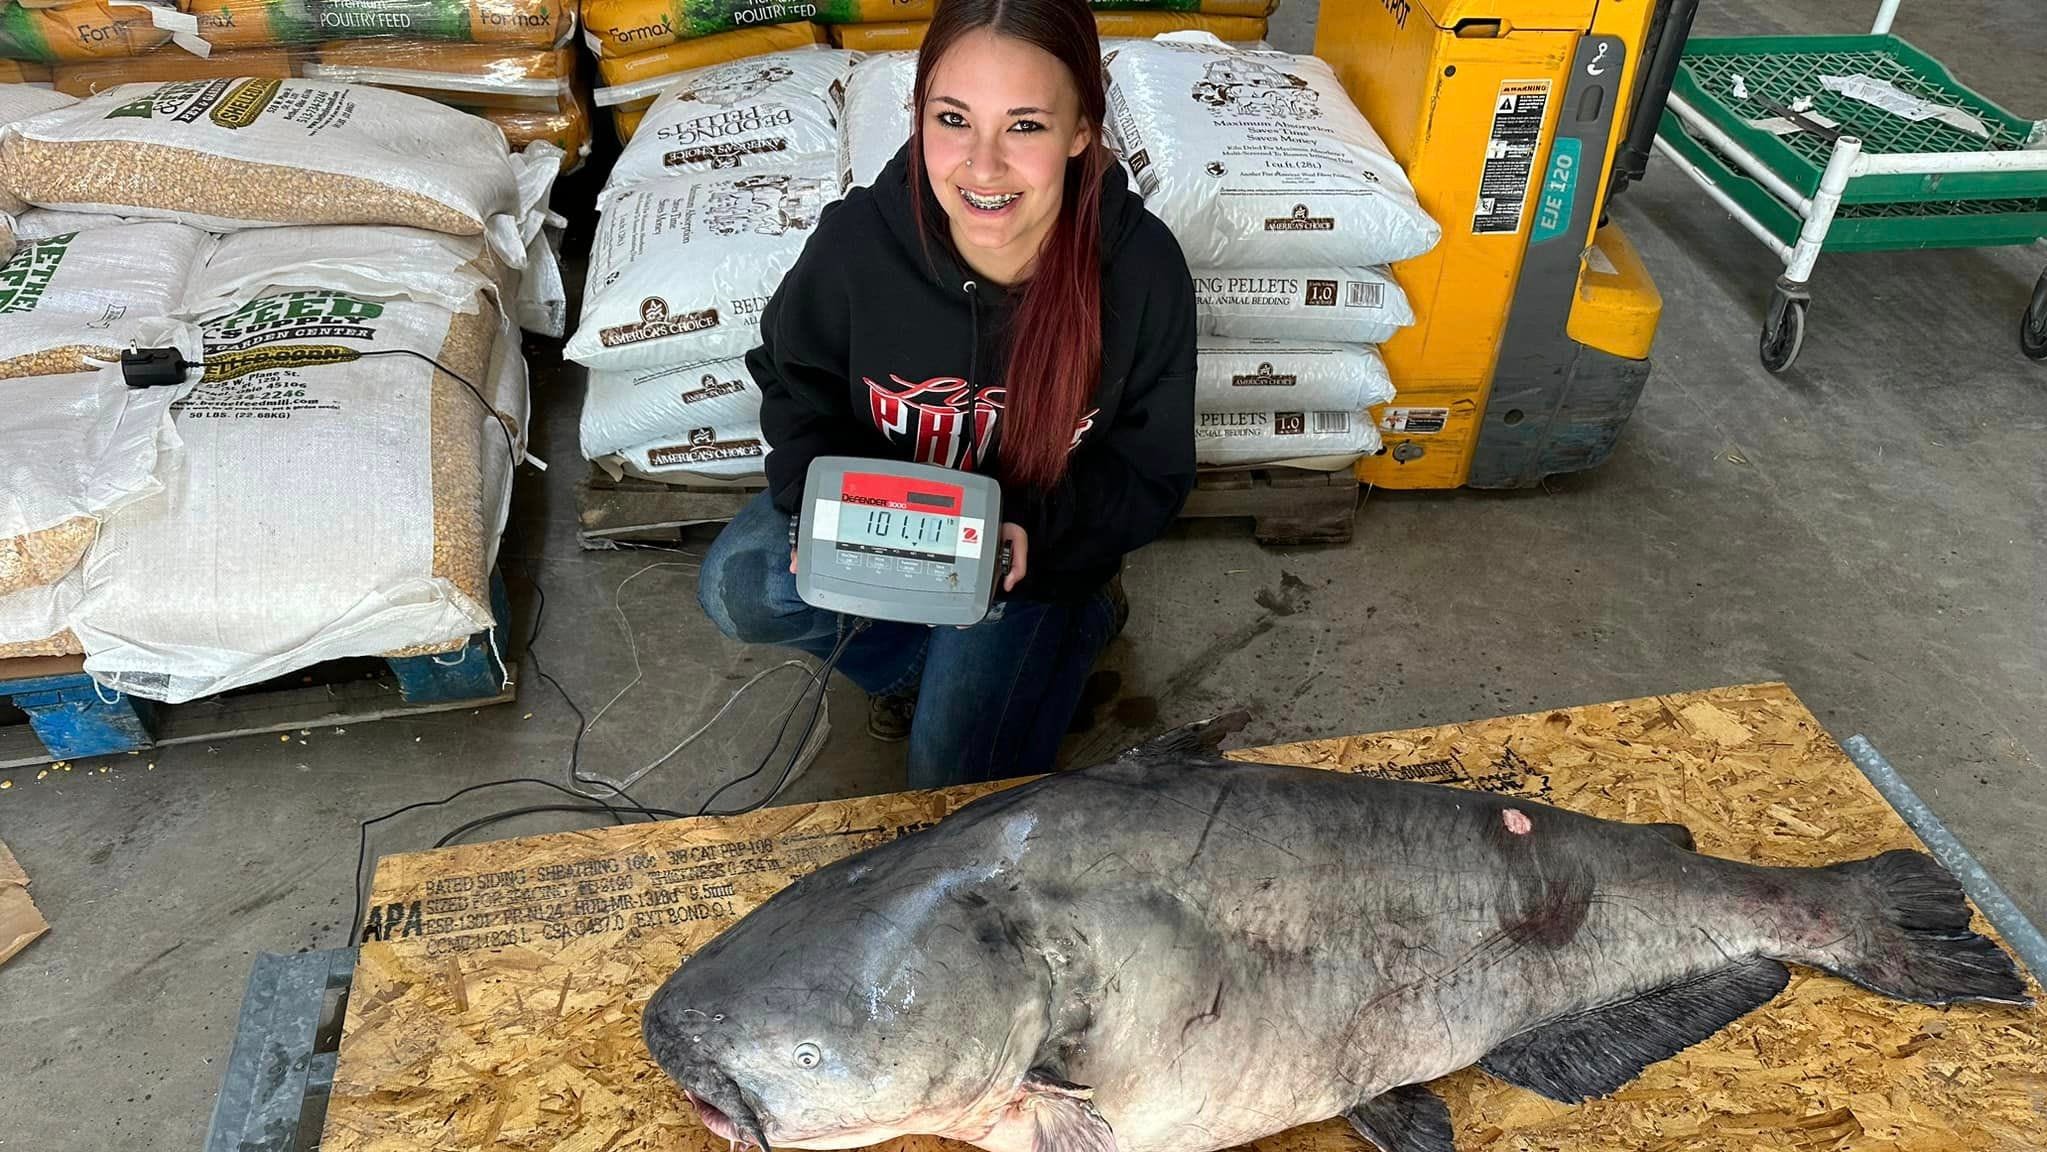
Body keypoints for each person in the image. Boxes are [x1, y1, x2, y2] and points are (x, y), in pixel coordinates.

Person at [696, 0, 1198, 790]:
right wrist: (814, 505)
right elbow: (797, 383)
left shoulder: (1140, 271)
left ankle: (1081, 622)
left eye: (1025, 126)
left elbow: (1152, 468)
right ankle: (914, 673)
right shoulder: (859, 244)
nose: (983, 165)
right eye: (953, 119)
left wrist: (1032, 529)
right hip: (890, 514)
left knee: (949, 785)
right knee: (743, 586)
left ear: (1079, 133)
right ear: (918, 116)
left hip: (1029, 554)